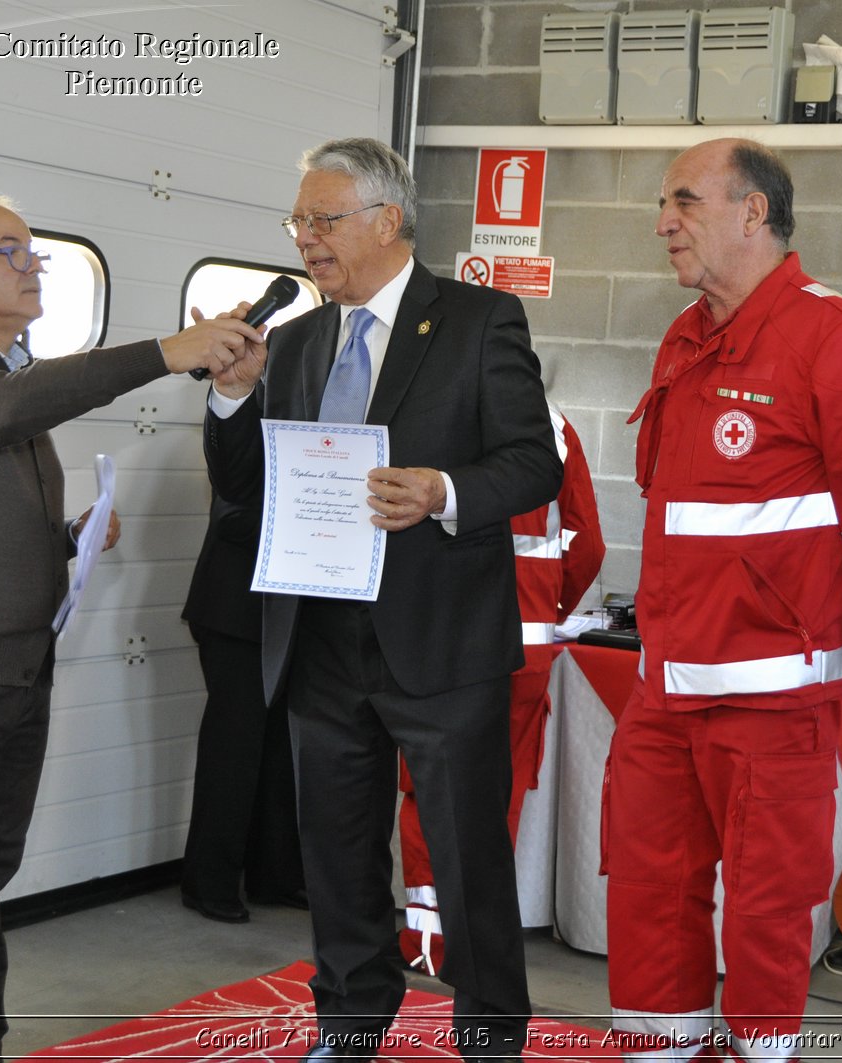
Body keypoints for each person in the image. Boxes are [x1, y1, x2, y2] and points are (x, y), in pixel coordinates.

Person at [0, 193, 258, 1061]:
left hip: (12, 675)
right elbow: (2, 409)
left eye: (36, 250)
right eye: (11, 251)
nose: (33, 264)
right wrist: (164, 351)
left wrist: (70, 536)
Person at [202, 137, 561, 1063]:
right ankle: (351, 1026)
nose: (306, 242)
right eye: (299, 224)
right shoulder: (302, 339)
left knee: (465, 855)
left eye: (323, 222)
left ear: (386, 220)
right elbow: (248, 486)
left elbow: (533, 463)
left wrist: (442, 490)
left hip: (440, 642)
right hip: (318, 635)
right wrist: (235, 400)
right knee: (337, 850)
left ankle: (488, 1037)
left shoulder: (480, 320)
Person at [605, 139, 842, 1061]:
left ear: (753, 214)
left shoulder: (832, 338)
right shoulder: (687, 337)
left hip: (772, 702)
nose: (663, 221)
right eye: (664, 203)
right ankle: (661, 1048)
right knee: (647, 887)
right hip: (666, 691)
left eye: (684, 201)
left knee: (764, 910)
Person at [398, 400, 605, 974]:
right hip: (525, 642)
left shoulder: (426, 400)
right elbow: (587, 542)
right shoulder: (555, 422)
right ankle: (474, 941)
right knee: (499, 794)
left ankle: (427, 942)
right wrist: (551, 608)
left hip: (440, 640)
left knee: (428, 787)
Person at [180, 492, 306, 923]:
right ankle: (208, 882)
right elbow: (233, 514)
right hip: (235, 609)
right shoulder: (242, 426)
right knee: (233, 749)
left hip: (291, 611)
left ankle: (274, 877)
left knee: (281, 749)